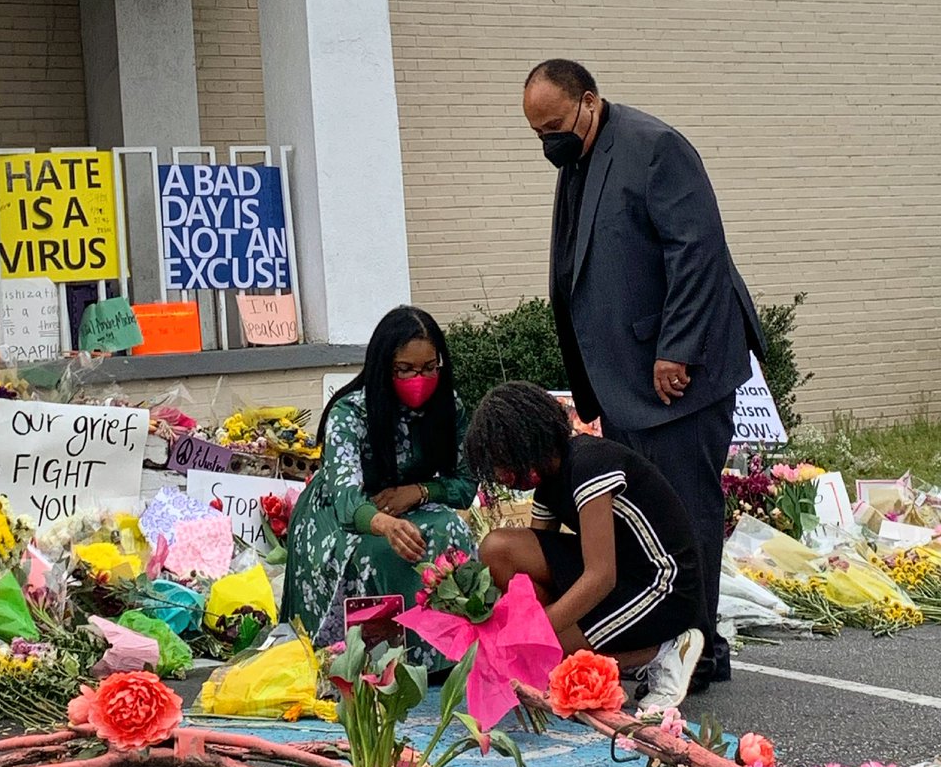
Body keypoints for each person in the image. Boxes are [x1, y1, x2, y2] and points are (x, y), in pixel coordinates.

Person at [522, 58, 766, 690]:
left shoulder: (655, 148)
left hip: (676, 378)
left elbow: (699, 251)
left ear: (590, 102)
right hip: (623, 383)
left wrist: (676, 349)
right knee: (649, 520)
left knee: (687, 512)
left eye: (554, 125)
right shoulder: (580, 158)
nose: (548, 141)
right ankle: (666, 640)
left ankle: (702, 645)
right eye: (537, 132)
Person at [466, 382, 705, 711]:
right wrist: (489, 619)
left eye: (506, 461)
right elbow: (526, 573)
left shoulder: (589, 464)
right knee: (497, 548)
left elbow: (601, 575)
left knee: (547, 644)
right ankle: (573, 659)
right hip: (623, 577)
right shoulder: (548, 484)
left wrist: (534, 633)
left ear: (528, 440)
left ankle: (663, 651)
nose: (503, 476)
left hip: (662, 586)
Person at [281, 306, 479, 669]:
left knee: (451, 530)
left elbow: (465, 485)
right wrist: (384, 524)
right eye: (405, 369)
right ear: (383, 366)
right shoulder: (351, 412)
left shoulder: (448, 407)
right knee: (379, 552)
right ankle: (373, 661)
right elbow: (345, 500)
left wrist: (419, 492)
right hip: (339, 517)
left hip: (408, 503)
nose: (419, 378)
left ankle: (443, 658)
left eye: (429, 367)